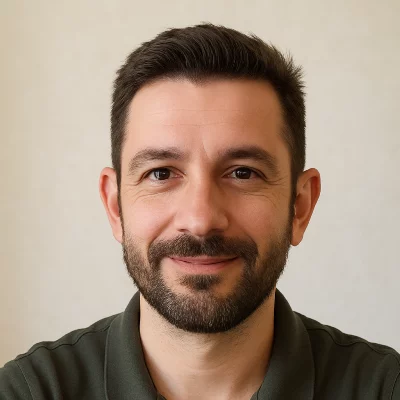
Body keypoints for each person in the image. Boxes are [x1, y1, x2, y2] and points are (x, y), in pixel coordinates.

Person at [1, 23, 399, 400]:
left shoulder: (385, 388)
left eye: (243, 173)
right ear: (115, 206)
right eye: (161, 173)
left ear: (300, 206)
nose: (201, 219)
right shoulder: (29, 391)